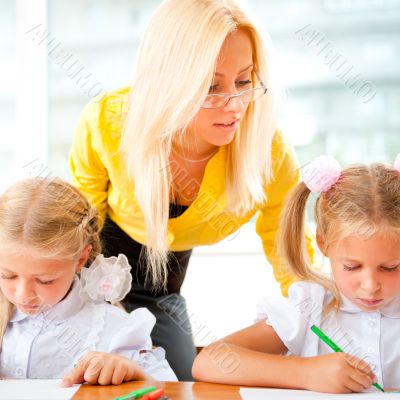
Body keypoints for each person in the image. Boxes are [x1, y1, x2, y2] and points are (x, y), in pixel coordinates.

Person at [69, 0, 315, 380]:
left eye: (245, 80)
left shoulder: (269, 150)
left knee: (181, 378)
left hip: (161, 290)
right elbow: (80, 224)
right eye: (211, 86)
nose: (234, 104)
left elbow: (290, 249)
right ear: (169, 81)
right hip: (89, 279)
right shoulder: (107, 123)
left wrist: (318, 313)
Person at [192, 154, 400, 393]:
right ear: (322, 243)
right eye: (352, 267)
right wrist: (306, 372)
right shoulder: (309, 307)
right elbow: (209, 361)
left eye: (390, 267)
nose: (371, 285)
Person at [0, 177, 176, 385]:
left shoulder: (114, 330)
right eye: (7, 275)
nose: (23, 294)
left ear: (80, 259)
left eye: (45, 280)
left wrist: (132, 372)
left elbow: (169, 391)